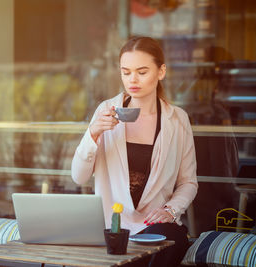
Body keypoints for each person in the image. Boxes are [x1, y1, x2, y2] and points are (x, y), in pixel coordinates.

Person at [71, 36, 198, 267]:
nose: (133, 80)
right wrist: (93, 134)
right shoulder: (106, 111)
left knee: (173, 239)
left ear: (161, 71)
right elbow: (78, 177)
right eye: (126, 72)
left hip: (155, 229)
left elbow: (188, 182)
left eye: (142, 71)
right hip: (114, 228)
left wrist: (171, 210)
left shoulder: (177, 119)